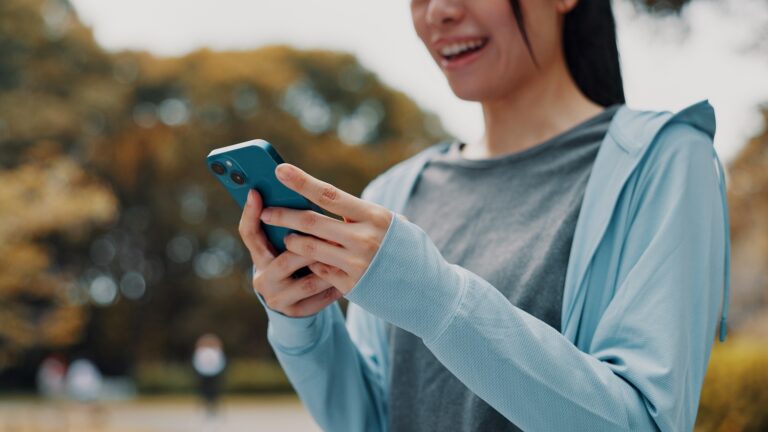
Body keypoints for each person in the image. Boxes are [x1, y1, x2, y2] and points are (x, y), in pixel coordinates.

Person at [237, 1, 730, 431]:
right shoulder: (393, 192)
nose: (438, 12)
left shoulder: (662, 161)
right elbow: (369, 419)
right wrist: (299, 323)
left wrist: (431, 296)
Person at [193, 333, 227, 417]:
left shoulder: (215, 352)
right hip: (205, 375)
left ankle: (213, 408)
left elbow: (220, 363)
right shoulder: (202, 352)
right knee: (204, 392)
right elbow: (197, 363)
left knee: (214, 392)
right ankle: (205, 408)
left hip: (213, 375)